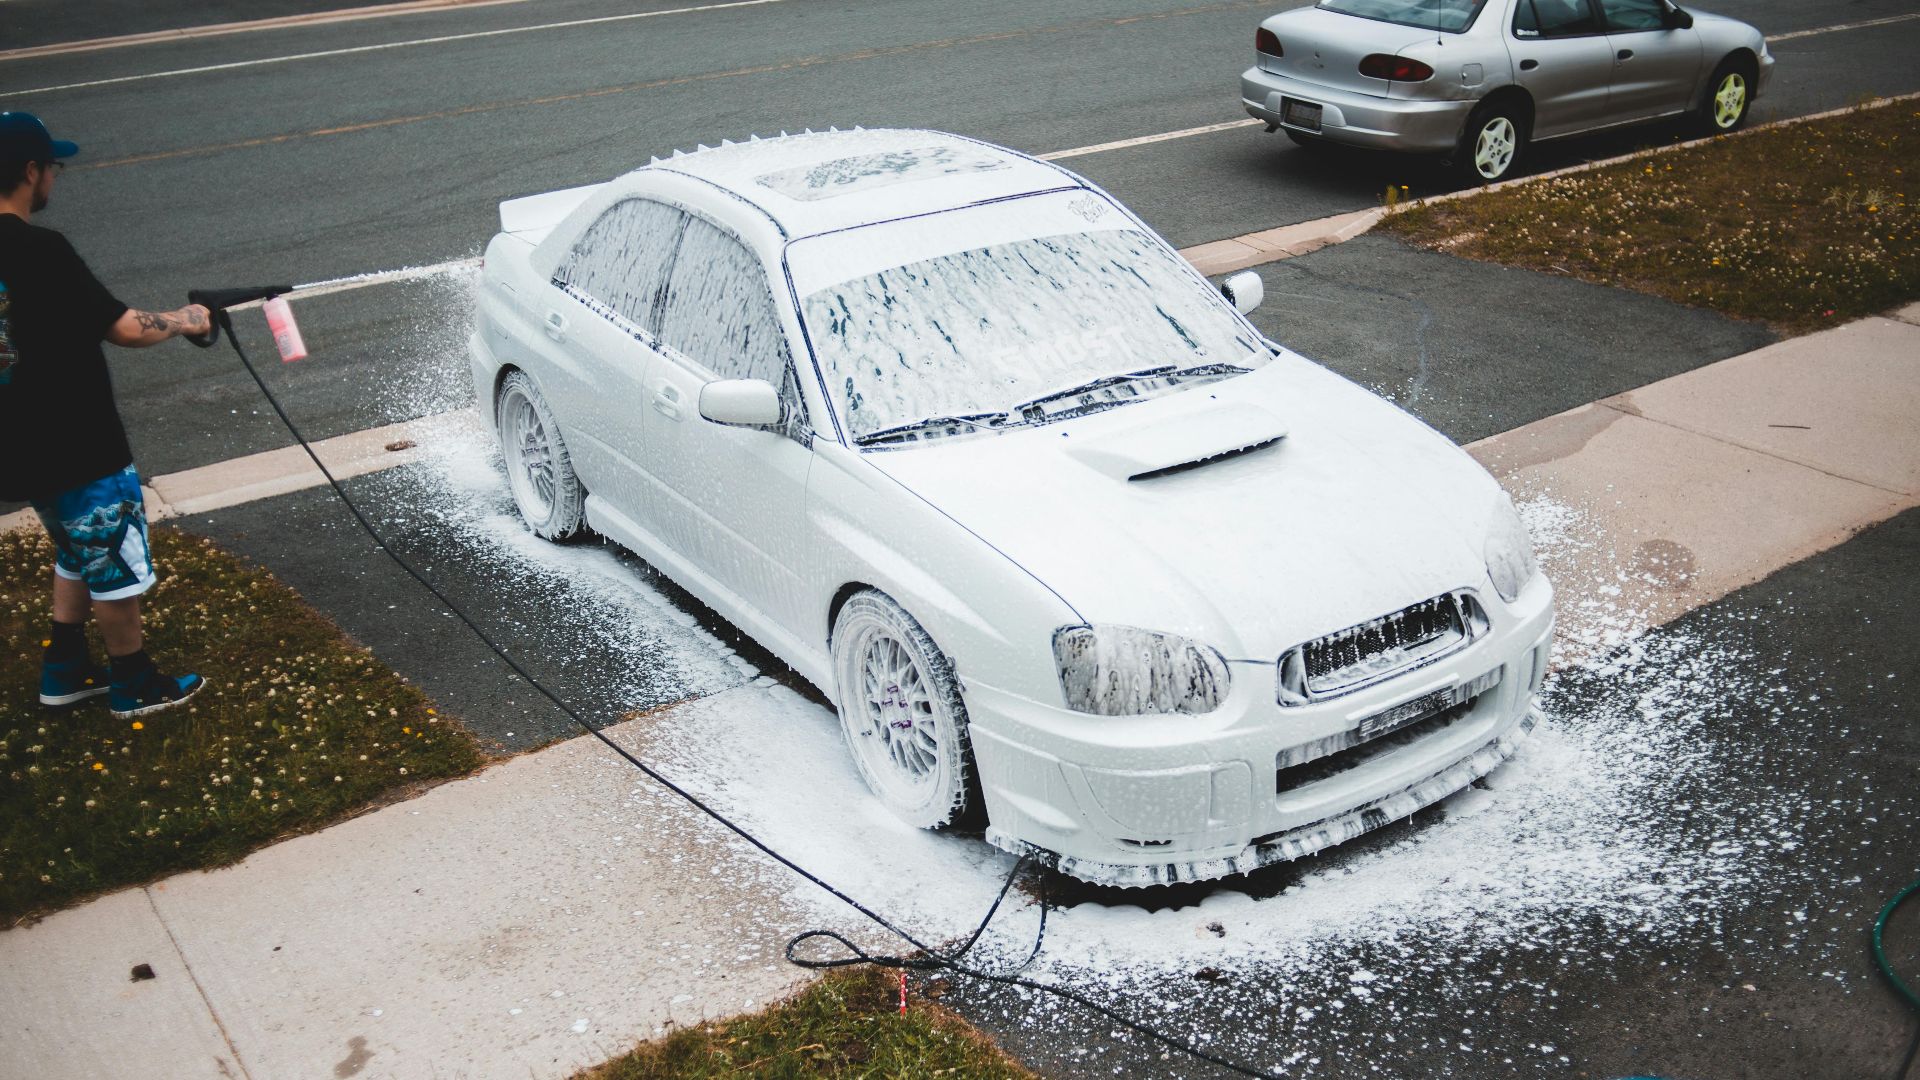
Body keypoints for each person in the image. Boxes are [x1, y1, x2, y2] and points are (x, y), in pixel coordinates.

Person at [0, 111, 212, 719]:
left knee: (75, 547)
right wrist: (186, 319)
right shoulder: (41, 248)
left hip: (17, 445)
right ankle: (134, 682)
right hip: (78, 439)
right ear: (31, 170)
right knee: (114, 560)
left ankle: (63, 669)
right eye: (52, 168)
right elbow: (123, 328)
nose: (53, 181)